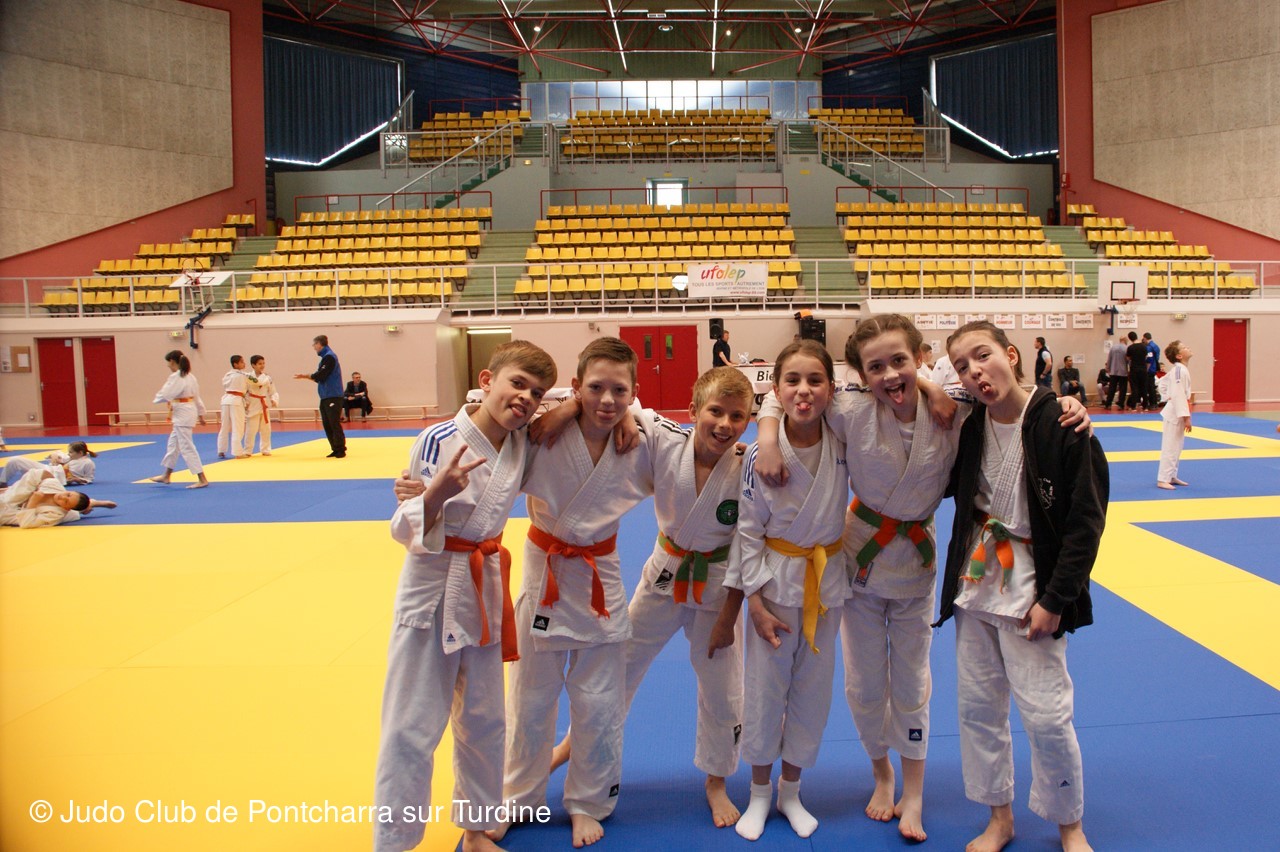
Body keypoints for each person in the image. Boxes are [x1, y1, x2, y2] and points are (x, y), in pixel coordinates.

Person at [373, 340, 557, 852]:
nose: (525, 398)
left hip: (485, 587)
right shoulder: (439, 438)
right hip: (432, 587)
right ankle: (393, 842)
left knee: (485, 720)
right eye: (517, 383)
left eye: (536, 393)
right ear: (486, 380)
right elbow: (402, 530)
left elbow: (581, 412)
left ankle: (476, 830)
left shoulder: (521, 442)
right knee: (411, 726)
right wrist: (437, 492)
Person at [937, 320, 1108, 852]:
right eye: (961, 366)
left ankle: (1069, 823)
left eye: (982, 356)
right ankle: (999, 817)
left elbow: (1086, 523)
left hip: (1034, 587)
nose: (975, 372)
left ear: (1011, 355)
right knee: (978, 709)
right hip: (977, 582)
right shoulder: (971, 426)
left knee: (1048, 715)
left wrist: (1056, 600)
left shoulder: (1062, 422)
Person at [500, 337, 662, 849]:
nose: (607, 400)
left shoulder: (642, 438)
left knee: (599, 701)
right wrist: (564, 408)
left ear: (635, 392)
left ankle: (589, 802)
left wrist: (627, 413)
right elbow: (481, 418)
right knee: (529, 699)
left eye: (620, 391)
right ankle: (517, 797)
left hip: (600, 578)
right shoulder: (539, 430)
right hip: (544, 572)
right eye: (594, 389)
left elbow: (696, 442)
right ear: (576, 386)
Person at [717, 340, 849, 842]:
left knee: (813, 693)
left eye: (815, 380)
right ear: (776, 389)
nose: (804, 390)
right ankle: (757, 792)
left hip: (826, 583)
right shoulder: (759, 454)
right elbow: (748, 531)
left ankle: (791, 792)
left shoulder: (842, 438)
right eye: (792, 380)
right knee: (765, 692)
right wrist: (753, 601)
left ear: (832, 389)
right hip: (773, 584)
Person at [149, 350, 209, 488]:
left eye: (168, 363)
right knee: (173, 445)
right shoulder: (190, 376)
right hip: (187, 411)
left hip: (183, 414)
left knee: (187, 446)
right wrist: (201, 414)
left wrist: (157, 399)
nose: (168, 366)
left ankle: (202, 478)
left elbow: (167, 393)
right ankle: (167, 475)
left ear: (172, 361)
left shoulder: (177, 376)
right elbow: (197, 397)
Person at [0, 467, 116, 528]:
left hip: (8, 512)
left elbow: (27, 524)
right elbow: (39, 473)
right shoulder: (55, 487)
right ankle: (91, 503)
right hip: (8, 499)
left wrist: (33, 502)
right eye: (68, 494)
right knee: (73, 511)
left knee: (71, 515)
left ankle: (91, 504)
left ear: (66, 508)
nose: (62, 497)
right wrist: (16, 493)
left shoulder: (56, 514)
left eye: (66, 502)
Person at [294, 334, 346, 458]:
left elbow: (321, 375)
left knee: (333, 423)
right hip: (326, 395)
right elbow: (320, 377)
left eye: (314, 345)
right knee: (327, 423)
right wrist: (307, 377)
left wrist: (307, 376)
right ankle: (335, 448)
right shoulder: (325, 358)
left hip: (333, 395)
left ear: (319, 344)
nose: (314, 348)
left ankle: (340, 449)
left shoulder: (329, 357)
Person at [1157, 340, 1193, 490]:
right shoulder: (1179, 370)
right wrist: (1186, 417)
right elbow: (1178, 395)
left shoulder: (1180, 370)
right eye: (1184, 347)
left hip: (1177, 410)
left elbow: (1162, 383)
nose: (1188, 348)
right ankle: (1163, 479)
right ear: (1179, 356)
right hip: (1175, 413)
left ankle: (1171, 475)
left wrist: (1167, 395)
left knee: (1177, 446)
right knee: (1171, 446)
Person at [1, 441, 97, 486]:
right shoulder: (70, 457)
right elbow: (56, 455)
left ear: (80, 453)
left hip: (54, 477)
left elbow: (89, 479)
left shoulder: (88, 463)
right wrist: (54, 455)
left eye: (71, 452)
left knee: (26, 478)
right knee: (15, 460)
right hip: (47, 469)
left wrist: (77, 479)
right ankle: (2, 482)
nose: (69, 454)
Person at [243, 355, 279, 457]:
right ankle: (248, 450)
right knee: (251, 429)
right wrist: (245, 402)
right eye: (259, 364)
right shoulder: (248, 377)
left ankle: (265, 449)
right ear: (253, 365)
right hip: (253, 403)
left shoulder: (268, 378)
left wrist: (274, 399)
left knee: (266, 429)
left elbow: (273, 391)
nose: (262, 365)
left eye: (263, 363)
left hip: (264, 403)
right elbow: (244, 392)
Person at [217, 355, 250, 459]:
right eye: (242, 362)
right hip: (236, 401)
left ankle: (221, 450)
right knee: (238, 427)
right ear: (235, 364)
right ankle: (238, 452)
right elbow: (253, 382)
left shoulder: (227, 375)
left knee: (224, 426)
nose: (244, 363)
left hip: (225, 400)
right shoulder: (243, 375)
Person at [1104, 338, 1129, 410]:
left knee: (1112, 388)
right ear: (1126, 341)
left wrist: (1108, 368)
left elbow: (1109, 359)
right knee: (1123, 389)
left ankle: (1108, 404)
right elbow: (1128, 360)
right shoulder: (1126, 348)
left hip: (1113, 371)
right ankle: (1120, 405)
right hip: (1123, 372)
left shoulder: (1113, 347)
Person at [1125, 332, 1147, 410]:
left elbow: (1127, 358)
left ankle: (1133, 406)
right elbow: (1146, 357)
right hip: (1143, 369)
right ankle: (1145, 406)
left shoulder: (1130, 348)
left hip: (1134, 369)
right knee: (1144, 387)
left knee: (1134, 388)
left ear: (1130, 339)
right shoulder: (1144, 346)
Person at [1143, 333, 1161, 409]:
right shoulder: (1156, 346)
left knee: (1150, 387)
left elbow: (1149, 359)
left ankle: (1153, 403)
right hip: (1154, 367)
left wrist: (1146, 369)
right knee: (1152, 386)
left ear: (1145, 338)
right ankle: (1154, 403)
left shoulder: (1149, 347)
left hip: (1150, 369)